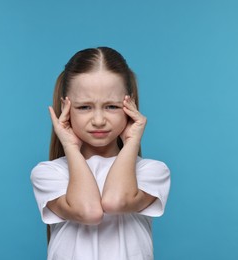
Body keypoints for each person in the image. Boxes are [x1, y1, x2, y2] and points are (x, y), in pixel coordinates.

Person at [31, 46, 171, 260]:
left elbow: (116, 202)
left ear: (130, 105)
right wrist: (69, 146)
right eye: (84, 107)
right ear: (65, 108)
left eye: (112, 107)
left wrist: (132, 141)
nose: (98, 120)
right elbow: (89, 211)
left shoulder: (151, 171)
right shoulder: (50, 173)